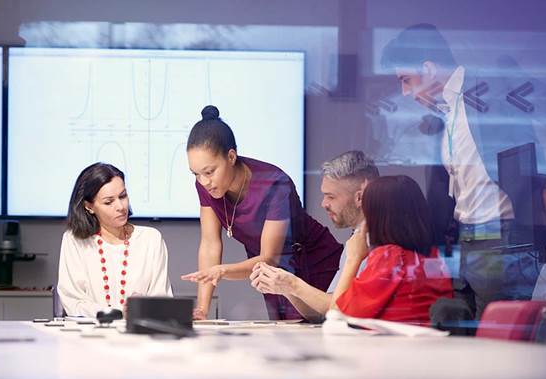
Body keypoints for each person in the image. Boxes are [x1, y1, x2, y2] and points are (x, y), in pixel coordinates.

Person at [382, 24, 546, 319]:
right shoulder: (443, 113)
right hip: (466, 240)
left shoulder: (493, 88)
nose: (405, 92)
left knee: (495, 336)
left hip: (504, 236)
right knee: (463, 335)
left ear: (429, 69)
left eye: (406, 80)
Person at [181, 105, 343, 320]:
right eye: (196, 174)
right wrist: (202, 308)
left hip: (312, 261)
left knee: (322, 331)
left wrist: (222, 271)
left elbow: (269, 257)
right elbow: (210, 243)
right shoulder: (205, 185)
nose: (204, 182)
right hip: (270, 272)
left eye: (209, 172)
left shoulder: (273, 183)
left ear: (231, 157)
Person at [249, 150, 379, 322]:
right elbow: (324, 312)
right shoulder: (355, 242)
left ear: (359, 197)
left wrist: (293, 284)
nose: (324, 203)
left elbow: (337, 310)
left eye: (331, 196)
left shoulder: (379, 243)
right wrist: (285, 288)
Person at [331, 175, 453, 323]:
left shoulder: (390, 258)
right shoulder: (433, 257)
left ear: (376, 218)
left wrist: (353, 259)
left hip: (394, 344)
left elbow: (336, 315)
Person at [58, 162, 172, 317]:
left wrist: (144, 307)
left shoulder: (150, 239)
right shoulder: (74, 241)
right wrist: (115, 313)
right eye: (108, 202)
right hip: (90, 336)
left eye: (123, 196)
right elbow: (73, 302)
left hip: (140, 336)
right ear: (89, 207)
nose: (120, 206)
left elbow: (162, 298)